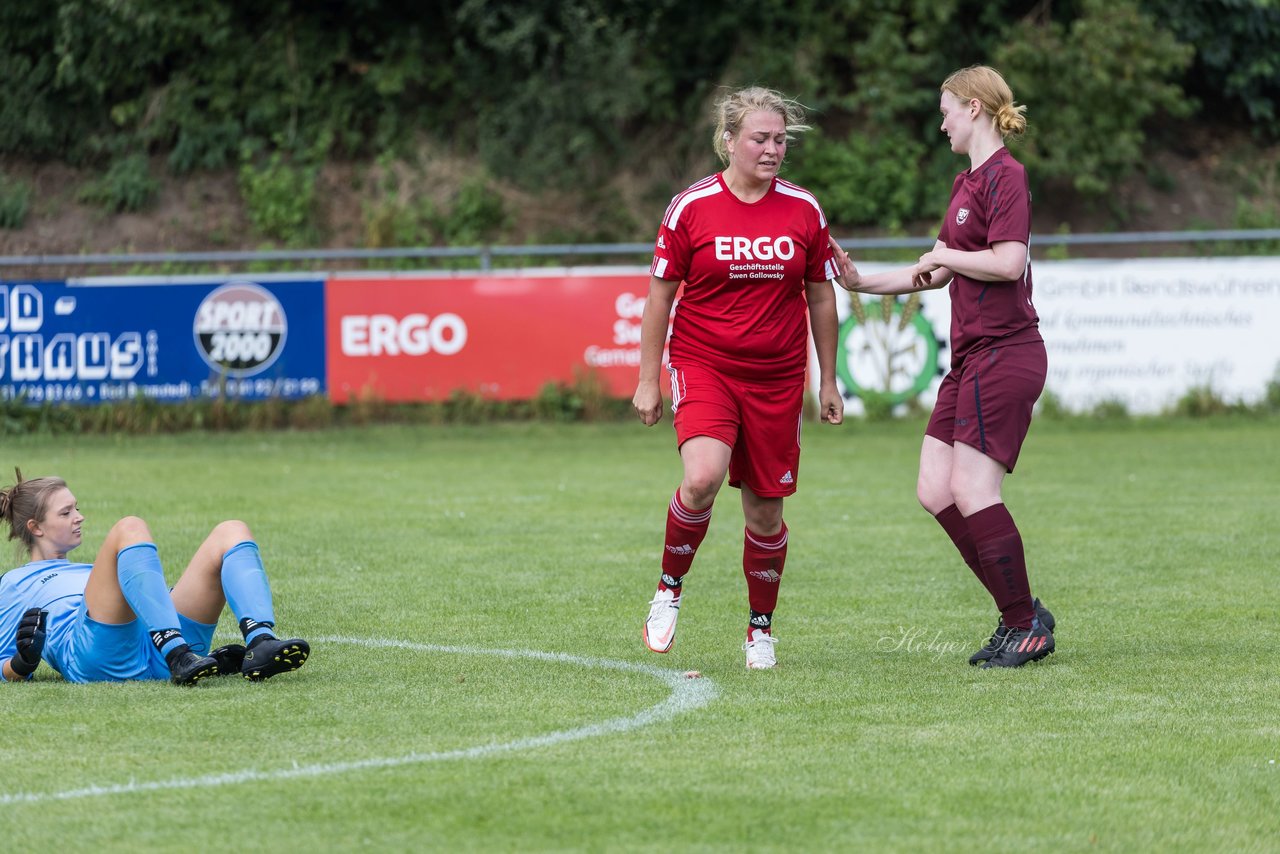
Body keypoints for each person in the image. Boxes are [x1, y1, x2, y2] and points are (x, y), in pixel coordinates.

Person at [832, 65, 1055, 668]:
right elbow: (930, 272)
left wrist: (946, 254)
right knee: (935, 490)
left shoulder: (1007, 175)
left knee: (972, 488)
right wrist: (857, 281)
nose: (942, 121)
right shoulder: (966, 185)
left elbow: (1008, 263)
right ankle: (1024, 613)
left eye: (947, 110)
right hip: (971, 362)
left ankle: (1022, 625)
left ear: (974, 108)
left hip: (1006, 352)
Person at [633, 86, 844, 670]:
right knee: (701, 477)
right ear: (728, 141)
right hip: (706, 364)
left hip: (777, 379)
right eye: (760, 138)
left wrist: (827, 380)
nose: (773, 149)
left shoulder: (803, 209)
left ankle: (759, 631)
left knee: (765, 515)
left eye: (780, 139)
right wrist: (649, 379)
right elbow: (659, 298)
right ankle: (669, 590)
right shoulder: (690, 207)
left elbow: (821, 297)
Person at [0, 469, 309, 685]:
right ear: (35, 527)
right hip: (97, 655)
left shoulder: (89, 572)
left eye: (76, 508)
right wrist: (22, 663)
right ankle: (177, 652)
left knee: (232, 530)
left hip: (152, 647)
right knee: (128, 526)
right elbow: (4, 668)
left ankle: (261, 642)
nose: (79, 516)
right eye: (66, 513)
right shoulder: (13, 583)